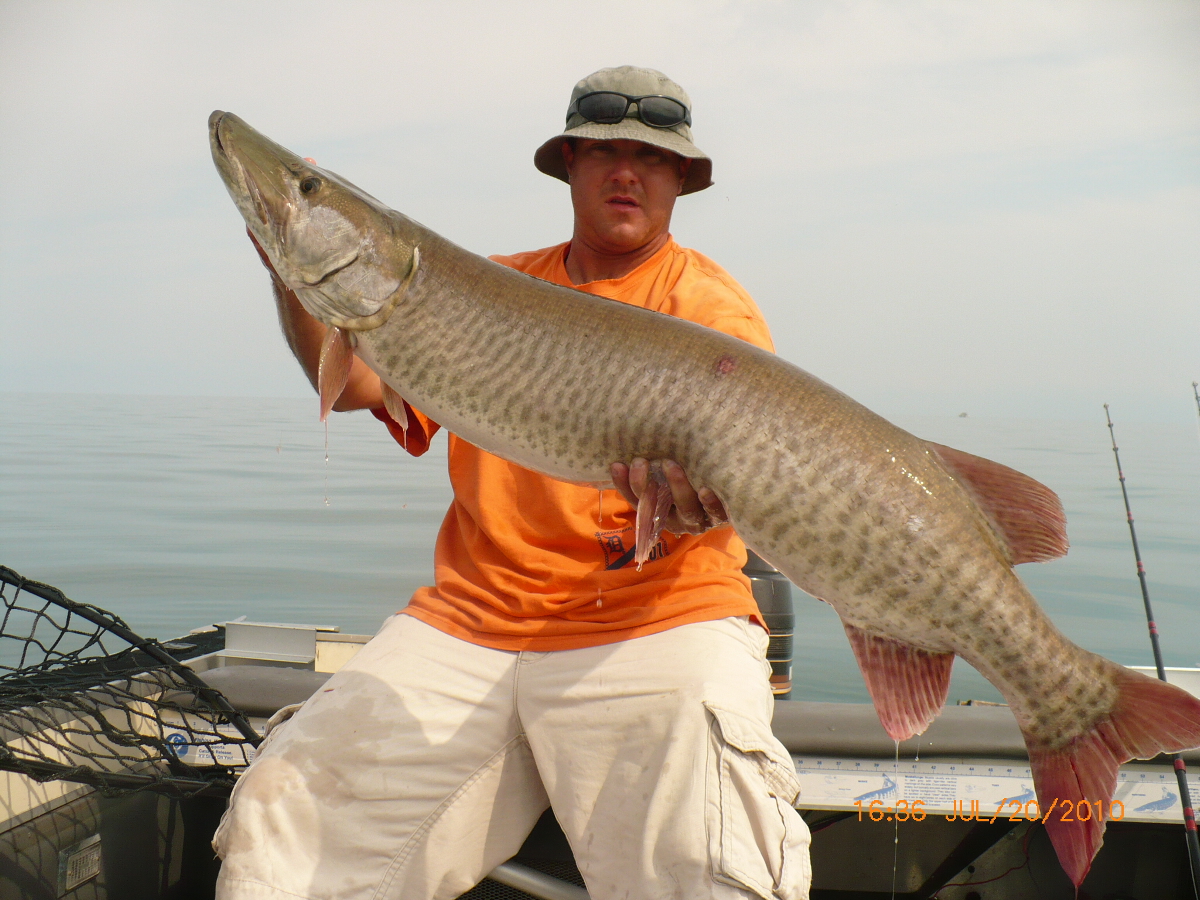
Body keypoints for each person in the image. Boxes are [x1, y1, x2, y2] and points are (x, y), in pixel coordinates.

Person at [214, 66, 811, 900]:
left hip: (657, 622)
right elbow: (352, 387)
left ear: (682, 178)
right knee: (279, 820)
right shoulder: (481, 288)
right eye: (604, 153)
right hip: (471, 626)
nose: (627, 172)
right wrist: (290, 265)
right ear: (569, 163)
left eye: (652, 156)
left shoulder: (709, 309)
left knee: (707, 874)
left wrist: (694, 499)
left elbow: (736, 485)